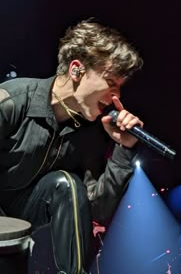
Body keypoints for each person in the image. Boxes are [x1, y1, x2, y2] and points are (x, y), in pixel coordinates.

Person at [0, 19, 144, 274]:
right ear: (76, 70)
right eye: (111, 83)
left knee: (66, 184)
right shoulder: (12, 100)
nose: (116, 98)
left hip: (24, 220)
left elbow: (95, 207)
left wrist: (122, 149)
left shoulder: (87, 133)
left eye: (120, 89)